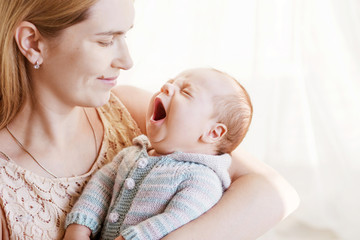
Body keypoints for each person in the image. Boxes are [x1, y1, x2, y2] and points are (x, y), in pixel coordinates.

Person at [0, 0, 299, 239]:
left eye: (125, 34)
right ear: (33, 43)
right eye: (106, 40)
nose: (127, 61)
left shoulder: (129, 108)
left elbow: (276, 194)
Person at [63, 68, 252, 240]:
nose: (167, 86)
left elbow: (175, 220)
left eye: (186, 92)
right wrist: (80, 225)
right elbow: (101, 186)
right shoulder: (132, 154)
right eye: (171, 81)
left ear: (213, 133)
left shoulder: (203, 180)